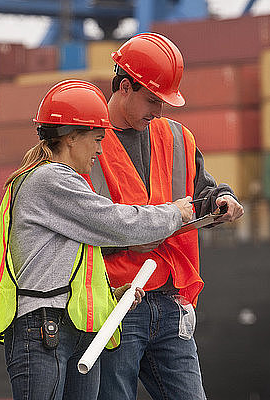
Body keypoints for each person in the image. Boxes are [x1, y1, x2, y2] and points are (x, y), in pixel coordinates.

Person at [0, 79, 195, 400]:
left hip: (67, 327)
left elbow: (64, 263)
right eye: (96, 139)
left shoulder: (56, 182)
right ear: (70, 139)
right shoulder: (51, 180)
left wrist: (112, 293)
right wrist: (176, 213)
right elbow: (116, 223)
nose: (99, 149)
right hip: (44, 331)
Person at [90, 33, 245, 400]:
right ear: (125, 86)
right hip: (117, 300)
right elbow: (79, 223)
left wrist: (222, 199)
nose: (159, 112)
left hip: (171, 302)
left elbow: (201, 192)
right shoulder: (87, 143)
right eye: (152, 100)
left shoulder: (177, 137)